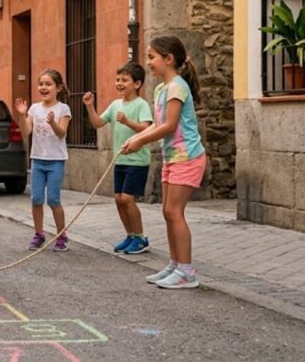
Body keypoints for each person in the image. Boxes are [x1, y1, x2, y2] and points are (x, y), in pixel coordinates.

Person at [123, 35, 207, 290]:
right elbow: (160, 126)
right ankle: (175, 264)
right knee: (167, 212)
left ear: (168, 59)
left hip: (188, 157)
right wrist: (137, 137)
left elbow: (170, 126)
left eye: (151, 57)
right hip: (173, 157)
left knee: (174, 212)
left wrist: (140, 142)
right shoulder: (162, 89)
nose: (148, 63)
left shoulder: (177, 87)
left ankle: (186, 271)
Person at [83, 62, 154, 255]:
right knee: (118, 199)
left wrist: (128, 122)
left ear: (137, 84)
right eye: (117, 80)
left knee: (128, 198)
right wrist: (90, 107)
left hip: (137, 160)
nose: (119, 83)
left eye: (124, 80)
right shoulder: (115, 105)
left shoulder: (141, 104)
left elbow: (147, 128)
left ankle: (140, 238)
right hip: (120, 160)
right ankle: (130, 235)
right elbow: (98, 123)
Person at [16, 69, 72, 252]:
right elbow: (26, 132)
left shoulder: (63, 109)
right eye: (41, 84)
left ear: (58, 87)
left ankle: (61, 235)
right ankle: (39, 234)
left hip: (56, 160)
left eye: (48, 84)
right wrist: (22, 114)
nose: (43, 87)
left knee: (54, 200)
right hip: (38, 160)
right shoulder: (34, 108)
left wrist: (53, 123)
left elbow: (62, 133)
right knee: (36, 199)